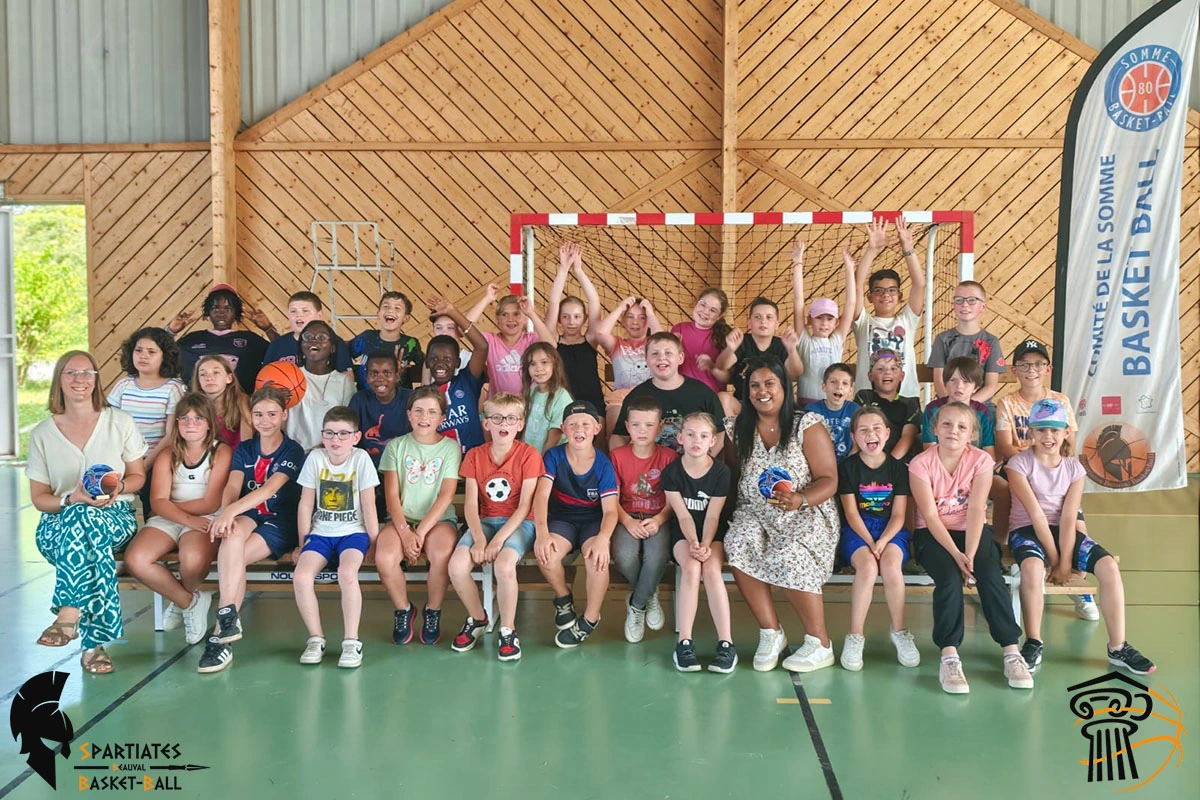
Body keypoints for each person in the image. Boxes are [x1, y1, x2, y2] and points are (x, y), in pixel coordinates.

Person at [1005, 399, 1155, 675]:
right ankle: (1034, 641)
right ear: (1031, 432)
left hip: (1063, 530)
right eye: (1041, 430)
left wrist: (1065, 562)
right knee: (1033, 567)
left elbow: (1068, 517)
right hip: (1027, 529)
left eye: (1054, 430)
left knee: (1109, 566)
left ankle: (1118, 646)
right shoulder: (1018, 464)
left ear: (1065, 432)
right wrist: (1055, 560)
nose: (1048, 436)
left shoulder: (1075, 469)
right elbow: (1036, 515)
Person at [26, 351, 148, 674]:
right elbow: (39, 499)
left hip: (115, 516)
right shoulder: (42, 433)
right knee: (82, 517)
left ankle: (69, 614)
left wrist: (119, 488)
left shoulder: (119, 422)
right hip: (58, 525)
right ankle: (94, 646)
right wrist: (72, 499)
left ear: (96, 379)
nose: (79, 379)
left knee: (88, 521)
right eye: (71, 373)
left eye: (86, 372)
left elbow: (138, 476)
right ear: (59, 380)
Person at [724, 358, 840, 673]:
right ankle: (771, 632)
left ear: (785, 387)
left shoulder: (806, 425)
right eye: (754, 386)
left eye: (769, 383)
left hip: (805, 511)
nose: (762, 391)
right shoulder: (737, 429)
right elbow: (732, 476)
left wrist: (800, 499)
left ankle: (820, 643)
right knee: (737, 540)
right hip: (755, 513)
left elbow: (829, 479)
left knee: (789, 553)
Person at [908, 402, 1032, 694]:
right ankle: (949, 656)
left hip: (972, 532)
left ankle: (1011, 651)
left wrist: (971, 555)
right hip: (933, 534)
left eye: (962, 427)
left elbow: (977, 509)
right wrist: (957, 556)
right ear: (935, 429)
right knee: (949, 579)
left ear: (972, 434)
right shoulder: (920, 464)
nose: (953, 431)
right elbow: (930, 515)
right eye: (946, 424)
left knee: (990, 576)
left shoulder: (981, 461)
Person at [198, 386, 304, 674]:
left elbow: (270, 489)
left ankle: (220, 634)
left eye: (272, 414)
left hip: (281, 520)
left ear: (284, 415)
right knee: (231, 538)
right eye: (258, 414)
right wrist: (227, 512)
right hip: (251, 514)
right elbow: (233, 486)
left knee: (234, 558)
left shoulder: (292, 450)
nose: (265, 420)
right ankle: (228, 620)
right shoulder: (245, 449)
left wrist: (228, 513)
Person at [994, 339, 1096, 621]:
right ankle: (1009, 553)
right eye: (1025, 364)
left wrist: (1047, 461)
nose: (1032, 370)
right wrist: (1033, 462)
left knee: (1077, 524)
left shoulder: (1061, 400)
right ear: (1015, 370)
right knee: (1012, 495)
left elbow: (1070, 443)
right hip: (1021, 469)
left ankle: (1076, 580)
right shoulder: (1007, 403)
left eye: (1038, 364)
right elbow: (1005, 446)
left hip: (1054, 468)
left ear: (1048, 369)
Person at [123, 394, 232, 646]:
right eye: (184, 418)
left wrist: (174, 510)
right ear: (177, 423)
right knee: (136, 559)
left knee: (192, 559)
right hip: (169, 518)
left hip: (204, 517)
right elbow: (157, 501)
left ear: (209, 423)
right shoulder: (167, 454)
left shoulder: (221, 452)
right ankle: (188, 601)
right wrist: (179, 515)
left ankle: (179, 598)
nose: (190, 423)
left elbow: (210, 502)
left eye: (198, 418)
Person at [448, 393, 543, 661]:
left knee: (503, 565)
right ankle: (478, 618)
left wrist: (498, 540)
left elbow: (524, 506)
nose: (504, 423)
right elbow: (470, 505)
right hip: (485, 522)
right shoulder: (475, 455)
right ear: (486, 423)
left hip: (519, 523)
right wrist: (480, 539)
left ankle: (508, 630)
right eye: (497, 418)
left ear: (520, 424)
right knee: (456, 566)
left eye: (511, 418)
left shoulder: (529, 455)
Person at [293, 406, 380, 669]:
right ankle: (315, 638)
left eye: (343, 433)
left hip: (354, 533)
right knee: (301, 576)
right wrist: (302, 542)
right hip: (321, 533)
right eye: (329, 433)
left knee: (347, 573)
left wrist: (374, 543)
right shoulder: (315, 458)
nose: (336, 439)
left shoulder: (361, 459)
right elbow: (305, 504)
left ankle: (351, 642)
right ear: (322, 435)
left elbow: (369, 505)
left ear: (356, 437)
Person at [376, 387, 462, 646]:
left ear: (442, 418)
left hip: (438, 520)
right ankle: (403, 609)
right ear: (409, 414)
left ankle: (433, 610)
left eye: (432, 412)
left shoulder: (450, 448)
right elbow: (391, 494)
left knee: (441, 555)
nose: (425, 417)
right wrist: (405, 533)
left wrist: (420, 533)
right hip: (401, 519)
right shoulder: (396, 446)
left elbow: (446, 495)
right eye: (419, 411)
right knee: (384, 558)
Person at [836, 406, 919, 671]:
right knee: (868, 568)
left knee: (891, 566)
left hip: (890, 530)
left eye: (876, 429)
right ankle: (855, 635)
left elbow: (899, 515)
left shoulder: (898, 469)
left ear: (887, 434)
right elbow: (851, 513)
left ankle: (900, 631)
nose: (870, 434)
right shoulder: (847, 468)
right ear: (854, 437)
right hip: (858, 529)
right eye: (863, 430)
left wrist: (882, 541)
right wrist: (870, 543)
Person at [534, 401, 618, 649]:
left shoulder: (603, 464)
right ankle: (563, 597)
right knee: (547, 554)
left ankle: (590, 619)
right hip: (563, 519)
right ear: (563, 429)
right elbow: (541, 496)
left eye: (585, 424)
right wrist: (541, 533)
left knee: (597, 559)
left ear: (597, 429)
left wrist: (603, 539)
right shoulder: (554, 456)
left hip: (593, 521)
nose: (579, 429)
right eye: (572, 424)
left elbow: (610, 511)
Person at [663, 412, 734, 673]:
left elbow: (713, 515)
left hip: (712, 533)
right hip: (684, 533)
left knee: (712, 569)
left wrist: (705, 542)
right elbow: (682, 515)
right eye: (691, 434)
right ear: (680, 438)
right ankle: (684, 642)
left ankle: (726, 643)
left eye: (704, 436)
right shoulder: (672, 472)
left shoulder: (721, 472)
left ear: (713, 441)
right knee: (692, 568)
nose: (697, 440)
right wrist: (694, 542)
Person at [609, 395, 677, 644]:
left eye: (649, 425)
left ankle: (637, 604)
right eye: (636, 425)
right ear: (627, 426)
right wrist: (627, 522)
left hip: (658, 517)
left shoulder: (669, 457)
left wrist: (659, 520)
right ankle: (649, 592)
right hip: (626, 517)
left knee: (657, 557)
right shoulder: (617, 456)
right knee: (624, 556)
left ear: (660, 427)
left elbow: (673, 501)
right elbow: (612, 499)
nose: (642, 430)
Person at [574, 258, 664, 433]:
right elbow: (600, 333)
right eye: (630, 317)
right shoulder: (617, 344)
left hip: (651, 396)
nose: (635, 322)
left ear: (648, 322)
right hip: (621, 398)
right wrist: (621, 308)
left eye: (642, 317)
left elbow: (662, 340)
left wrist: (651, 313)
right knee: (615, 429)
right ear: (623, 322)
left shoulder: (653, 344)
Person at [107, 326, 186, 516]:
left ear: (165, 356)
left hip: (157, 460)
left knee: (153, 511)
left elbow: (171, 435)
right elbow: (108, 424)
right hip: (123, 459)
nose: (143, 356)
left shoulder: (173, 388)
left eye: (151, 352)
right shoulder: (123, 385)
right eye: (138, 350)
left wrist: (144, 465)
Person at [609, 332, 724, 455]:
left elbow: (721, 431)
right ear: (646, 359)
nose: (661, 358)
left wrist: (704, 459)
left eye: (668, 353)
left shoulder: (703, 393)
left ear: (680, 358)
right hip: (651, 464)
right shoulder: (636, 396)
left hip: (692, 463)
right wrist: (622, 461)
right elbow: (619, 435)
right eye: (655, 353)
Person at [852, 217, 925, 396]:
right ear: (869, 297)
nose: (885, 295)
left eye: (892, 290)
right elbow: (856, 285)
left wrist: (908, 248)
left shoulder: (907, 320)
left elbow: (919, 285)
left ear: (900, 296)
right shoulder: (863, 322)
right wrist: (872, 250)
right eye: (878, 290)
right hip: (868, 398)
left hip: (905, 398)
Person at [169, 283, 275, 393]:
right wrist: (171, 331)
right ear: (208, 311)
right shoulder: (191, 340)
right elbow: (161, 356)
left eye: (227, 309)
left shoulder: (251, 340)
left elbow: (283, 353)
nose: (221, 314)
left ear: (236, 312)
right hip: (198, 402)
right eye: (215, 308)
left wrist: (268, 328)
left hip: (241, 402)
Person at [713, 296, 801, 415]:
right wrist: (730, 349)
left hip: (773, 405)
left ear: (777, 324)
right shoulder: (742, 342)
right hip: (744, 406)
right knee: (723, 398)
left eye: (769, 317)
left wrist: (792, 350)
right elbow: (721, 365)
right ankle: (737, 428)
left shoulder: (782, 344)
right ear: (749, 323)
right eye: (757, 317)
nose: (763, 321)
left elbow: (795, 374)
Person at [794, 240, 857, 406]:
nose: (824, 323)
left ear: (836, 322)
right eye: (819, 317)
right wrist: (797, 262)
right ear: (809, 320)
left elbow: (850, 304)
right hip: (807, 404)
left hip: (832, 405)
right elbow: (798, 301)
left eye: (829, 319)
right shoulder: (805, 341)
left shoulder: (836, 341)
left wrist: (849, 268)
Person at [425, 296, 490, 453]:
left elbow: (482, 346)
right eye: (434, 359)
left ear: (458, 363)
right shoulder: (424, 395)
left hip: (474, 459)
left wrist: (452, 311)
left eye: (447, 359)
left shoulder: (467, 382)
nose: (440, 364)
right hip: (442, 462)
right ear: (427, 363)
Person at [545, 242, 605, 411]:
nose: (571, 321)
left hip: (593, 405)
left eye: (577, 317)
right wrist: (563, 269)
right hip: (561, 406)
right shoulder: (554, 341)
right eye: (566, 317)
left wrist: (578, 270)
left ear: (585, 319)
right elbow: (553, 302)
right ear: (559, 319)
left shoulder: (590, 340)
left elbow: (594, 301)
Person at [928, 281, 1005, 403]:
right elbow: (939, 382)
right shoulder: (942, 339)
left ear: (983, 307)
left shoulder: (991, 341)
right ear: (953, 305)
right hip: (947, 405)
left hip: (979, 406)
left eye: (972, 300)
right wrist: (953, 404)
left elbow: (990, 386)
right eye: (959, 300)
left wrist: (966, 405)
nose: (964, 304)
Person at [285, 320, 356, 452]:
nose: (314, 341)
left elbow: (347, 424)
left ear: (332, 348)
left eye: (322, 338)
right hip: (292, 453)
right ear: (301, 344)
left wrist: (321, 451)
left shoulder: (344, 383)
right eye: (307, 337)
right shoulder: (288, 376)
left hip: (329, 453)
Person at [479, 287, 554, 398]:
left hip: (529, 404)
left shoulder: (531, 340)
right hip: (498, 405)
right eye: (505, 314)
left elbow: (551, 345)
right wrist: (486, 299)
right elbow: (463, 329)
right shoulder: (490, 340)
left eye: (516, 314)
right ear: (497, 319)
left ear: (525, 319)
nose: (510, 319)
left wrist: (531, 313)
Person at [261, 291, 353, 375]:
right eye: (293, 311)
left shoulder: (334, 343)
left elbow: (347, 379)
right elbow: (264, 377)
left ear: (319, 315)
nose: (298, 315)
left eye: (305, 311)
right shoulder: (277, 344)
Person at [853, 349, 921, 462]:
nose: (887, 372)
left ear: (902, 375)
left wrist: (888, 464)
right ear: (870, 376)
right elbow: (858, 431)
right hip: (867, 458)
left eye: (893, 368)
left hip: (897, 461)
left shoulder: (910, 404)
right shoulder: (864, 397)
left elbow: (908, 436)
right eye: (880, 369)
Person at [347, 351, 412, 466]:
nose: (380, 379)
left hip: (403, 466)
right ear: (367, 377)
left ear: (397, 376)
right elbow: (349, 436)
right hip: (367, 466)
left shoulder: (411, 399)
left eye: (387, 373)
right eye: (374, 374)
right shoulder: (359, 400)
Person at [350, 291, 424, 391]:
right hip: (366, 397)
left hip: (399, 398)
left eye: (397, 308)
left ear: (406, 318)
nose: (390, 310)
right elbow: (343, 353)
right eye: (386, 306)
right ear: (378, 314)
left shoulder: (410, 343)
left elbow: (427, 364)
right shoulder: (366, 338)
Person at [671, 287, 732, 394]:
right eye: (703, 304)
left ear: (719, 316)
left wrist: (712, 367)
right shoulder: (679, 329)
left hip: (710, 396)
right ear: (697, 303)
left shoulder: (724, 336)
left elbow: (728, 379)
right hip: (681, 392)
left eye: (713, 310)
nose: (705, 311)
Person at [521, 342, 574, 453]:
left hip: (548, 457)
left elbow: (554, 438)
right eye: (532, 364)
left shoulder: (561, 396)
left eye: (544, 362)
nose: (538, 368)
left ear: (555, 364)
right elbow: (526, 428)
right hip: (530, 456)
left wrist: (541, 460)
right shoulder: (532, 392)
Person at [191, 354, 252, 448]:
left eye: (216, 372)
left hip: (237, 455)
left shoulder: (241, 400)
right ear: (198, 381)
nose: (209, 378)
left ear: (229, 378)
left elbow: (247, 441)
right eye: (203, 374)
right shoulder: (192, 405)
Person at [805, 363, 860, 463]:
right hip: (819, 464)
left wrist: (849, 465)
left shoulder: (855, 410)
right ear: (824, 386)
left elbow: (860, 442)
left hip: (849, 463)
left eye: (845, 383)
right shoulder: (812, 410)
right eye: (833, 382)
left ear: (850, 390)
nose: (839, 387)